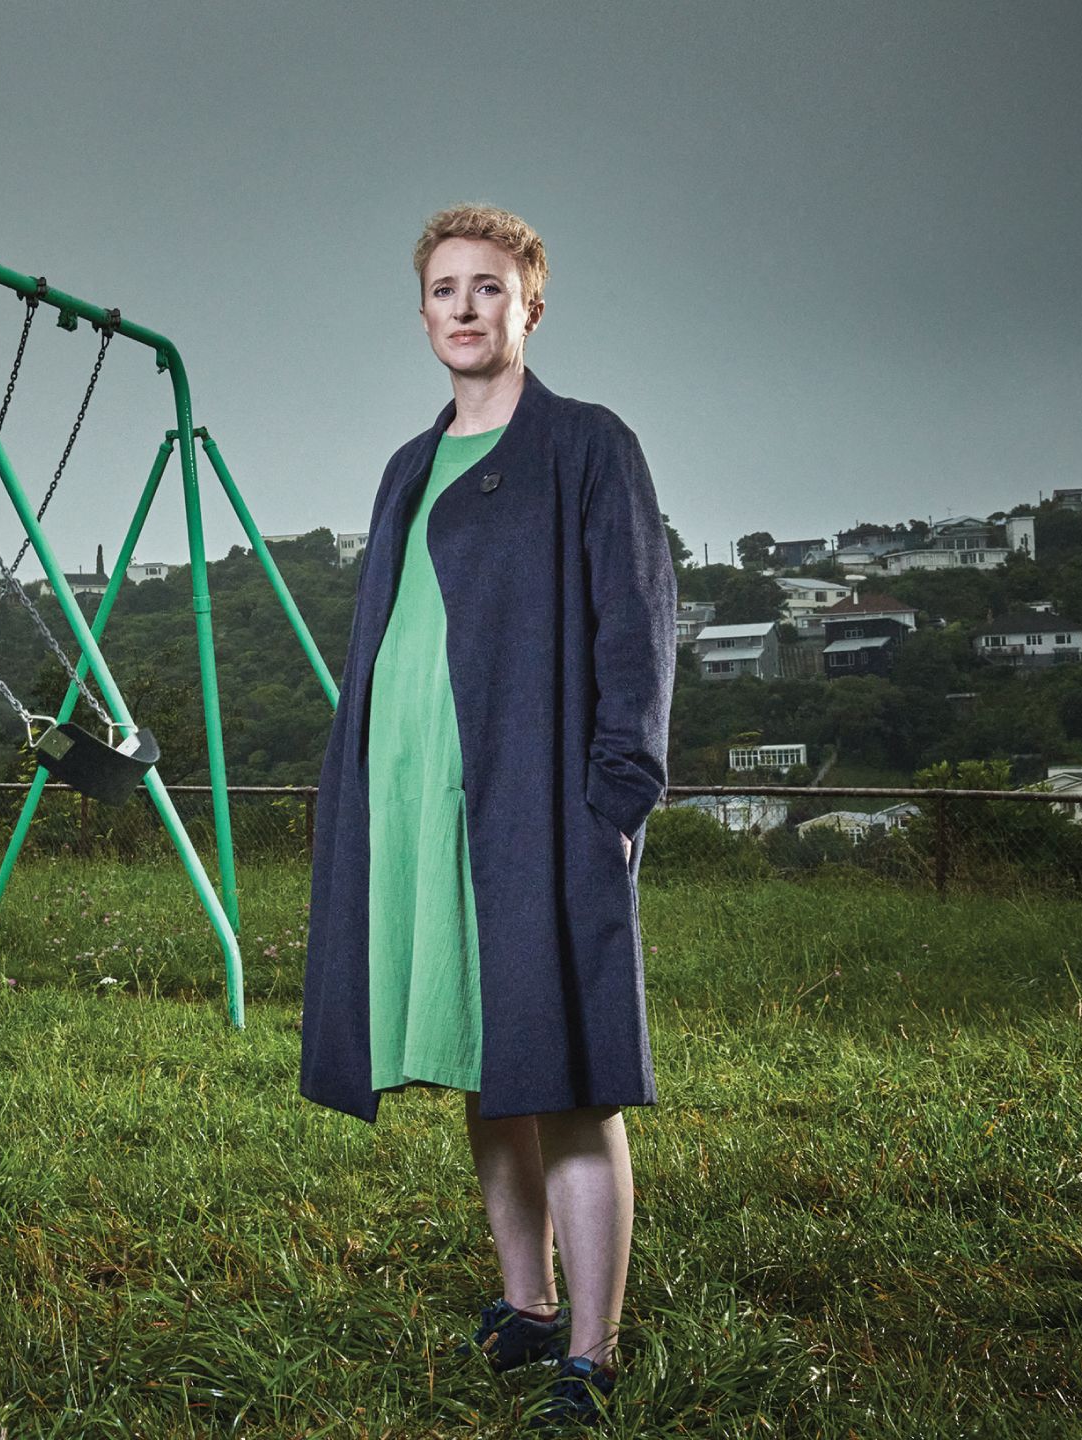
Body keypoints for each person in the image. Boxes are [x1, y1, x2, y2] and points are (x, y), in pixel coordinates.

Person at [298, 204, 677, 1428]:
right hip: (413, 804)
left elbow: (637, 625)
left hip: (537, 803)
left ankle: (593, 1346)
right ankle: (524, 1305)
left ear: (530, 307)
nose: (465, 307)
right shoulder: (408, 465)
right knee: (482, 1059)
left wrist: (618, 796)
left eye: (488, 289)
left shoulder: (586, 446)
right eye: (445, 290)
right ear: (423, 313)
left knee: (564, 1074)